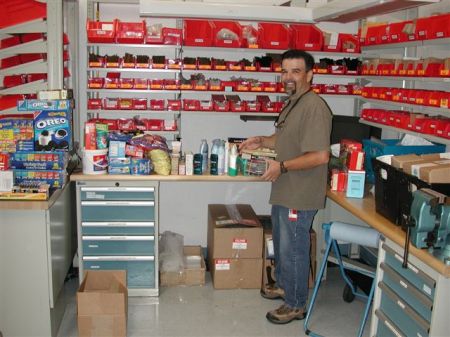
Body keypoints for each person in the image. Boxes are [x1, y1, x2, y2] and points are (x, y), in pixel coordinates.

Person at [239, 49, 332, 324]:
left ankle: (295, 304)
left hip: (300, 192)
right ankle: (284, 285)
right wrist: (261, 140)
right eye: (284, 71)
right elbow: (283, 138)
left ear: (310, 74)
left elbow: (320, 156)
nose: (288, 76)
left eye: (296, 71)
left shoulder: (314, 107)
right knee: (281, 243)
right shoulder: (294, 102)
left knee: (294, 247)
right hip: (286, 187)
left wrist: (283, 166)